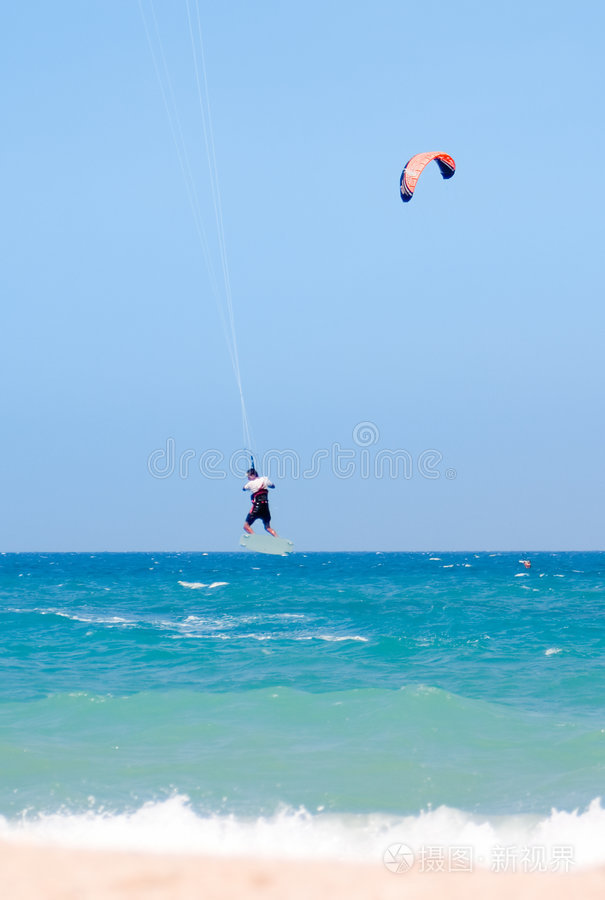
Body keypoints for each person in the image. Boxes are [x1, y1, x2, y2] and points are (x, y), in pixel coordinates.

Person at [242, 468, 278, 536]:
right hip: (266, 507)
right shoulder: (265, 479)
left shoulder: (250, 483)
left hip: (257, 507)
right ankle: (278, 539)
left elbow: (243, 488)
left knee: (246, 526)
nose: (248, 478)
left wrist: (254, 481)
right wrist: (262, 480)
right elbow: (273, 486)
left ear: (253, 475)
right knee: (268, 528)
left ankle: (254, 537)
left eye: (248, 476)